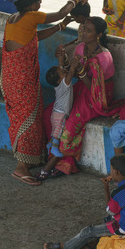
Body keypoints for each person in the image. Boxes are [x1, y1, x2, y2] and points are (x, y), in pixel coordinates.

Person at [0, 0, 87, 185]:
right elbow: (60, 13)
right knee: (27, 119)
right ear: (32, 3)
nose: (40, 5)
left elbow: (34, 38)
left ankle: (26, 160)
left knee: (22, 117)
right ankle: (21, 168)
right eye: (38, 1)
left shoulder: (13, 19)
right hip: (21, 80)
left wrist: (60, 27)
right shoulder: (31, 16)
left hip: (10, 79)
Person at [40, 17, 125, 178]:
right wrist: (63, 60)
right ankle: (52, 154)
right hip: (82, 87)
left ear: (98, 34)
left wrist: (79, 71)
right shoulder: (81, 47)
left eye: (88, 30)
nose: (83, 32)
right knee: (49, 114)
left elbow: (94, 88)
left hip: (99, 95)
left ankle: (64, 164)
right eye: (83, 28)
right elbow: (70, 73)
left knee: (71, 123)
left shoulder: (103, 57)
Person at [42, 154, 125, 249]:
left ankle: (66, 247)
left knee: (88, 231)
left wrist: (106, 188)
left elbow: (110, 210)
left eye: (111, 170)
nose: (110, 172)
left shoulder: (118, 194)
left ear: (116, 172)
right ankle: (92, 244)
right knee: (107, 220)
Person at [39, 45, 75, 175]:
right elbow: (70, 73)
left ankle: (50, 145)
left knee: (55, 131)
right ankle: (54, 149)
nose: (64, 71)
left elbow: (61, 69)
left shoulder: (59, 84)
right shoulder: (65, 84)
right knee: (58, 132)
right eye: (62, 72)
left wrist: (60, 60)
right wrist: (74, 65)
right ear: (60, 79)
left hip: (56, 112)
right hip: (60, 114)